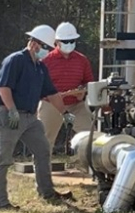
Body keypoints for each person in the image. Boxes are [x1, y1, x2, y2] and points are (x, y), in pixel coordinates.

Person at [0, 25, 74, 210]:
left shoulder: (40, 67)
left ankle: (47, 191)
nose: (46, 51)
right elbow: (4, 88)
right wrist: (11, 110)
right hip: (8, 114)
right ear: (34, 44)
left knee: (43, 150)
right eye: (45, 47)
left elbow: (51, 94)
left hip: (29, 117)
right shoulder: (15, 60)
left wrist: (65, 113)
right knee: (3, 159)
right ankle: (1, 203)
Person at [40, 21, 95, 153]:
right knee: (44, 141)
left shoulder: (82, 60)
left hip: (76, 105)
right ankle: (42, 172)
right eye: (65, 41)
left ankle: (90, 168)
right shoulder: (46, 61)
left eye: (72, 40)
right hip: (51, 105)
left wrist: (83, 91)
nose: (69, 44)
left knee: (91, 136)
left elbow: (89, 81)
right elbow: (39, 86)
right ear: (57, 42)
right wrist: (55, 95)